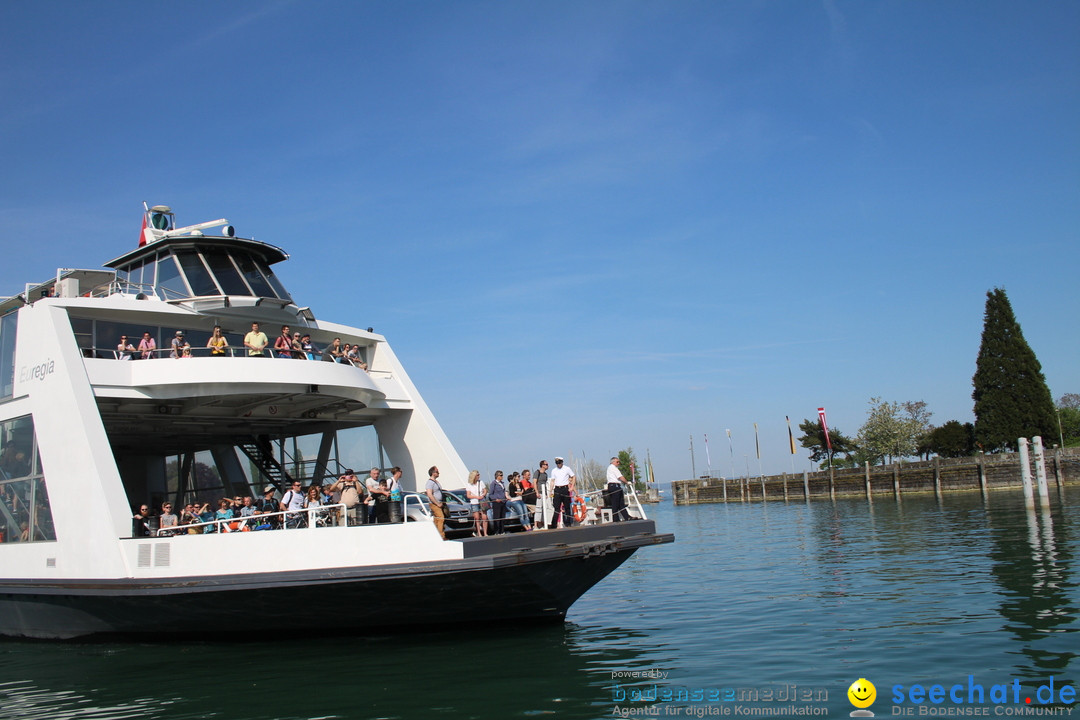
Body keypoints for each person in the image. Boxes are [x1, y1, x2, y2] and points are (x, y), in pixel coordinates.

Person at [548, 457, 575, 529]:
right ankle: (554, 524)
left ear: (562, 462)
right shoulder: (554, 470)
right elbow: (552, 481)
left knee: (567, 507)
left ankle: (568, 522)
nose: (559, 464)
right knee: (556, 507)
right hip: (557, 489)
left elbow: (573, 476)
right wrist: (550, 491)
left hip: (565, 488)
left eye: (560, 463)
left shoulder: (567, 469)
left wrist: (572, 486)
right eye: (557, 463)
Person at [605, 456, 630, 522]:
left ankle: (626, 517)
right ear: (613, 462)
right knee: (615, 503)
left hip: (615, 486)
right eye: (617, 462)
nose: (619, 463)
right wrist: (627, 482)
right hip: (614, 486)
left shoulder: (610, 468)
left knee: (621, 503)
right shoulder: (613, 468)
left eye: (619, 462)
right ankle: (616, 519)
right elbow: (620, 477)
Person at [425, 466, 447, 540]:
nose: (438, 473)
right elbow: (429, 494)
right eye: (437, 472)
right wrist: (437, 503)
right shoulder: (429, 483)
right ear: (433, 473)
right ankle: (441, 536)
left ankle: (435, 535)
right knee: (441, 518)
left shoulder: (436, 482)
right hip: (434, 504)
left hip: (440, 503)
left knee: (437, 519)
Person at [466, 470, 488, 537]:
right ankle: (479, 532)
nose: (479, 476)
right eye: (477, 475)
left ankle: (485, 533)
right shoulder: (469, 485)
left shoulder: (481, 482)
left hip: (482, 501)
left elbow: (485, 490)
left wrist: (483, 495)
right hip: (474, 502)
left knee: (484, 517)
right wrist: (476, 497)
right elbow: (468, 495)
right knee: (477, 518)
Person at [488, 470, 508, 535]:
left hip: (503, 502)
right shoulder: (493, 484)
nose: (502, 476)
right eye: (501, 475)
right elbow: (490, 494)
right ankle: (496, 531)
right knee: (497, 517)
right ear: (497, 476)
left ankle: (502, 530)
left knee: (502, 516)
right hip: (497, 503)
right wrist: (495, 499)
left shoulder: (502, 483)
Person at [535, 460, 549, 529]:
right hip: (539, 492)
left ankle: (543, 524)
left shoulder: (546, 474)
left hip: (544, 493)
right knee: (538, 509)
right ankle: (535, 525)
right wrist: (536, 492)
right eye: (546, 464)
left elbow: (545, 484)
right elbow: (534, 482)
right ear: (542, 465)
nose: (547, 466)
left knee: (544, 509)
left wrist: (546, 494)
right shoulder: (537, 472)